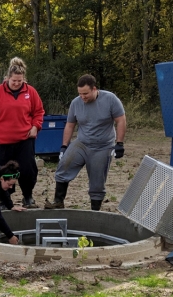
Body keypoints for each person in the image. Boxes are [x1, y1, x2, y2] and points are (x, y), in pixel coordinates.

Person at [44, 74, 126, 211]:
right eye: (80, 94)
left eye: (86, 94)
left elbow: (121, 120)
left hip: (103, 146)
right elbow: (70, 125)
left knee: (97, 180)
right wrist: (64, 146)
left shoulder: (110, 99)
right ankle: (58, 202)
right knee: (64, 166)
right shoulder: (76, 103)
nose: (83, 97)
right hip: (82, 143)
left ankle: (95, 210)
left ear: (94, 89)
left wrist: (120, 144)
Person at [0, 57, 45, 209]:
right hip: (1, 142)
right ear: (8, 78)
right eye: (14, 81)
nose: (16, 83)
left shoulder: (31, 92)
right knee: (4, 172)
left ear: (24, 79)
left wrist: (36, 126)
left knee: (28, 169)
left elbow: (39, 112)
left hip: (24, 140)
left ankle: (28, 196)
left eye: (19, 81)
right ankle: (5, 199)